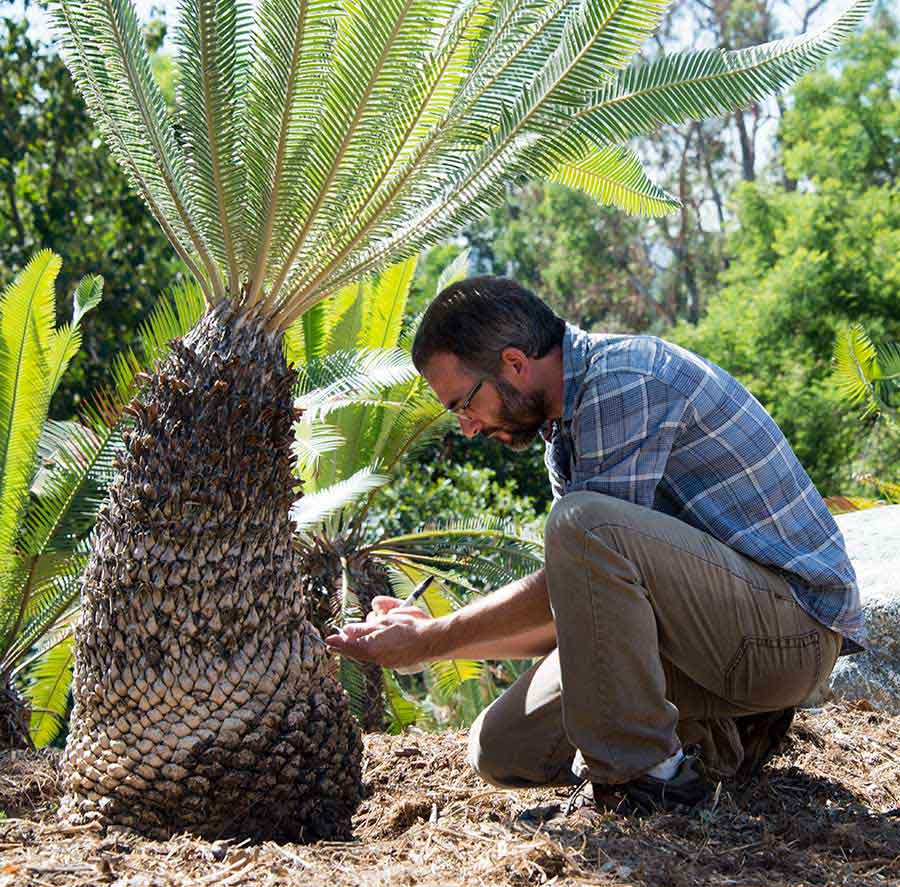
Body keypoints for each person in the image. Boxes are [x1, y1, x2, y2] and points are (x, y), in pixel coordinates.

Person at [325, 276, 865, 815]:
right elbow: (582, 607)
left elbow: (582, 555)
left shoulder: (624, 382)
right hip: (713, 643)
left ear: (514, 363)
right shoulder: (566, 429)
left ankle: (650, 777)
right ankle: (723, 736)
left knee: (582, 522)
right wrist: (425, 637)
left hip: (790, 638)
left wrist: (433, 639)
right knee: (502, 747)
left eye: (464, 404)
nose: (467, 427)